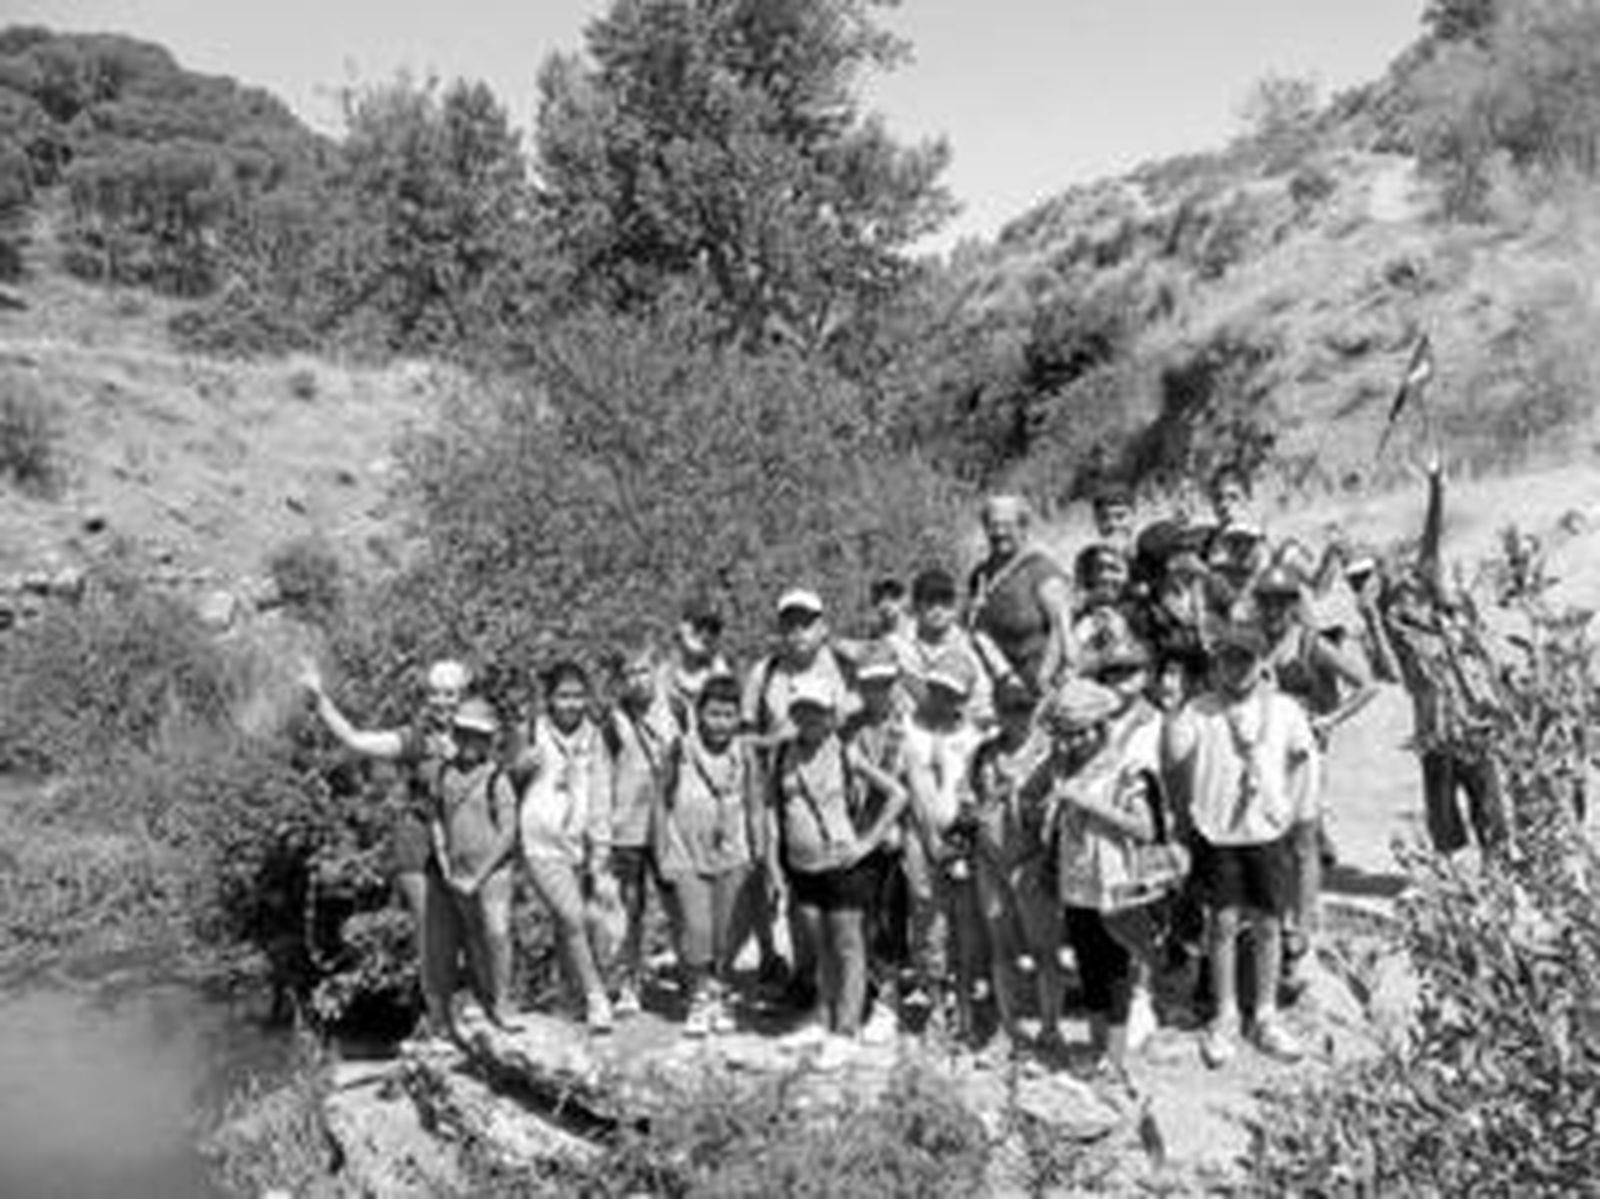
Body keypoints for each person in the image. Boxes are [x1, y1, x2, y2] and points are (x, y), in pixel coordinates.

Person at [1163, 622, 1319, 1068]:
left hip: (1266, 831)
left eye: (1245, 659)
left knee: (1269, 923)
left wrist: (1293, 813)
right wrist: (1173, 710)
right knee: (1224, 923)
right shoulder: (1201, 709)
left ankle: (1266, 1013)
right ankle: (1226, 1011)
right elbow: (1175, 754)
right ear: (1216, 663)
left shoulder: (1285, 709)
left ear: (1260, 662)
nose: (1235, 668)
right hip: (1218, 831)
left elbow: (1302, 762)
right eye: (1227, 658)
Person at [299, 657, 471, 1040]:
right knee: (432, 932)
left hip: (464, 845)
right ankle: (441, 1021)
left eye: (451, 693)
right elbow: (357, 741)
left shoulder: (477, 733)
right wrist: (320, 699)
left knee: (470, 927)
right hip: (417, 844)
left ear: (464, 694)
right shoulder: (415, 738)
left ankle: (473, 1011)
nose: (443, 701)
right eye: (436, 693)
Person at [1043, 678, 1183, 1082]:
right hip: (1077, 883)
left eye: (1081, 732)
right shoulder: (1065, 769)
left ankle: (1115, 1057)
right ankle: (1096, 1047)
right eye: (1067, 735)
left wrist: (1089, 804)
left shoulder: (1126, 768)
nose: (1074, 742)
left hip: (1116, 886)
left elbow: (1143, 828)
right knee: (1089, 969)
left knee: (1116, 970)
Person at [1379, 456, 1510, 856]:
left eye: (1410, 575)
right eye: (1397, 576)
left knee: (1490, 812)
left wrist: (1437, 489)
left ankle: (1497, 882)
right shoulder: (1398, 627)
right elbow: (1386, 591)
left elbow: (1430, 546)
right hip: (1436, 735)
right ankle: (1454, 893)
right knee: (1444, 822)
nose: (1408, 580)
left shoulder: (1450, 619)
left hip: (1472, 726)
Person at [767, 680, 885, 1058]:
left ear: (831, 715)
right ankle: (823, 1018)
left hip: (841, 864)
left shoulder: (845, 753)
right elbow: (772, 810)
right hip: (801, 866)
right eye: (801, 709)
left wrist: (867, 843)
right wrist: (771, 862)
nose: (808, 717)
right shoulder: (784, 752)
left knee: (848, 945)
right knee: (818, 945)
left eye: (816, 710)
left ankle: (847, 1030)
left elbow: (897, 794)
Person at [512, 660, 618, 1033]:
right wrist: (520, 767)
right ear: (549, 700)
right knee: (573, 916)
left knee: (572, 923)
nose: (571, 704)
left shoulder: (596, 737)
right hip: (539, 840)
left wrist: (601, 846)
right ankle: (596, 997)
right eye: (563, 696)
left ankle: (568, 997)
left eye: (577, 696)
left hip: (582, 843)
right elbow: (507, 780)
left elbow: (602, 792)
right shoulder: (531, 731)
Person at [655, 674, 761, 1037]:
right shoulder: (680, 749)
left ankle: (721, 992)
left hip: (733, 853)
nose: (721, 723)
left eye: (729, 715)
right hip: (686, 852)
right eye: (714, 714)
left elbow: (755, 804)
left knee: (727, 932)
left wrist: (759, 853)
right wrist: (661, 851)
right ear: (699, 714)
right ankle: (699, 995)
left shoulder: (744, 752)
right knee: (696, 927)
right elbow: (660, 800)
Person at [968, 682, 1062, 1060]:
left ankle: (1051, 1029)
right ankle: (1009, 1030)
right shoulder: (984, 754)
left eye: (1024, 708)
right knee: (1001, 949)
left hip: (1033, 862)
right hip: (991, 862)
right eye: (1009, 709)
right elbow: (971, 805)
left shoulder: (1050, 755)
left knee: (1045, 950)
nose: (1017, 717)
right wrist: (989, 801)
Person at [902, 650, 989, 1041]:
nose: (942, 696)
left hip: (964, 840)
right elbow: (916, 789)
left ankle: (966, 1002)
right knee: (928, 917)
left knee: (966, 921)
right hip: (921, 839)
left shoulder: (974, 736)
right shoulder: (909, 728)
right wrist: (932, 840)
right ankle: (935, 1001)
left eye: (952, 691)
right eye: (936, 687)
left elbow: (976, 790)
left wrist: (963, 833)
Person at [423, 697, 519, 1037]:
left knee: (497, 932)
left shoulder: (498, 778)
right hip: (458, 871)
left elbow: (508, 831)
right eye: (463, 734)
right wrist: (443, 858)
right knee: (474, 938)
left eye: (477, 736)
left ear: (488, 741)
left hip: (493, 872)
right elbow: (435, 815)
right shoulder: (444, 773)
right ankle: (485, 996)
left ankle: (504, 1002)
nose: (469, 742)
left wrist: (479, 876)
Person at [838, 642, 914, 1043]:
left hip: (893, 838)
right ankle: (861, 992)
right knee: (858, 921)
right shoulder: (848, 726)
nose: (876, 691)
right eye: (869, 684)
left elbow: (903, 789)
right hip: (853, 835)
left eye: (883, 683)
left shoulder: (906, 726)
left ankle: (888, 1002)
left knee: (889, 920)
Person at [604, 643, 679, 1018]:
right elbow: (603, 773)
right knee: (631, 907)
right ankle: (630, 982)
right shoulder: (613, 721)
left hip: (669, 824)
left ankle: (691, 974)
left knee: (677, 902)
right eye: (630, 674)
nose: (638, 680)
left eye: (643, 670)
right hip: (627, 828)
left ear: (657, 670)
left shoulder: (677, 709)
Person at [967, 494, 1076, 699]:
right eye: (993, 525)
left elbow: (1060, 629)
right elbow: (975, 627)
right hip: (1000, 684)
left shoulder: (1041, 570)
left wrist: (1044, 678)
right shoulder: (980, 575)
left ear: (1023, 528)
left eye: (1007, 525)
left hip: (1043, 686)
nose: (999, 533)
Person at [661, 599, 733, 732]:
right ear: (682, 626)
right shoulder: (659, 675)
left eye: (713, 628)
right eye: (699, 623)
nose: (705, 633)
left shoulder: (721, 679)